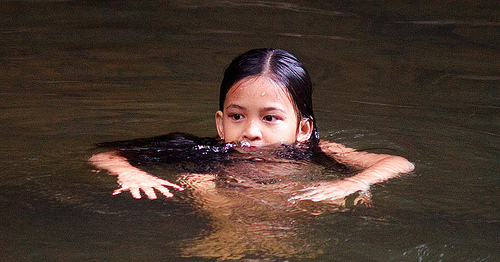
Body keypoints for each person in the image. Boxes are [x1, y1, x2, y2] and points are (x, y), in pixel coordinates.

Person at [89, 48, 414, 203]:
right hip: (215, 212)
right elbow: (105, 155)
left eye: (270, 117)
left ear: (302, 129)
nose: (251, 131)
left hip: (289, 212)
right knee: (198, 183)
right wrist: (131, 172)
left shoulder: (318, 151)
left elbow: (397, 163)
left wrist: (349, 184)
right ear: (220, 123)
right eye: (237, 116)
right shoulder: (203, 151)